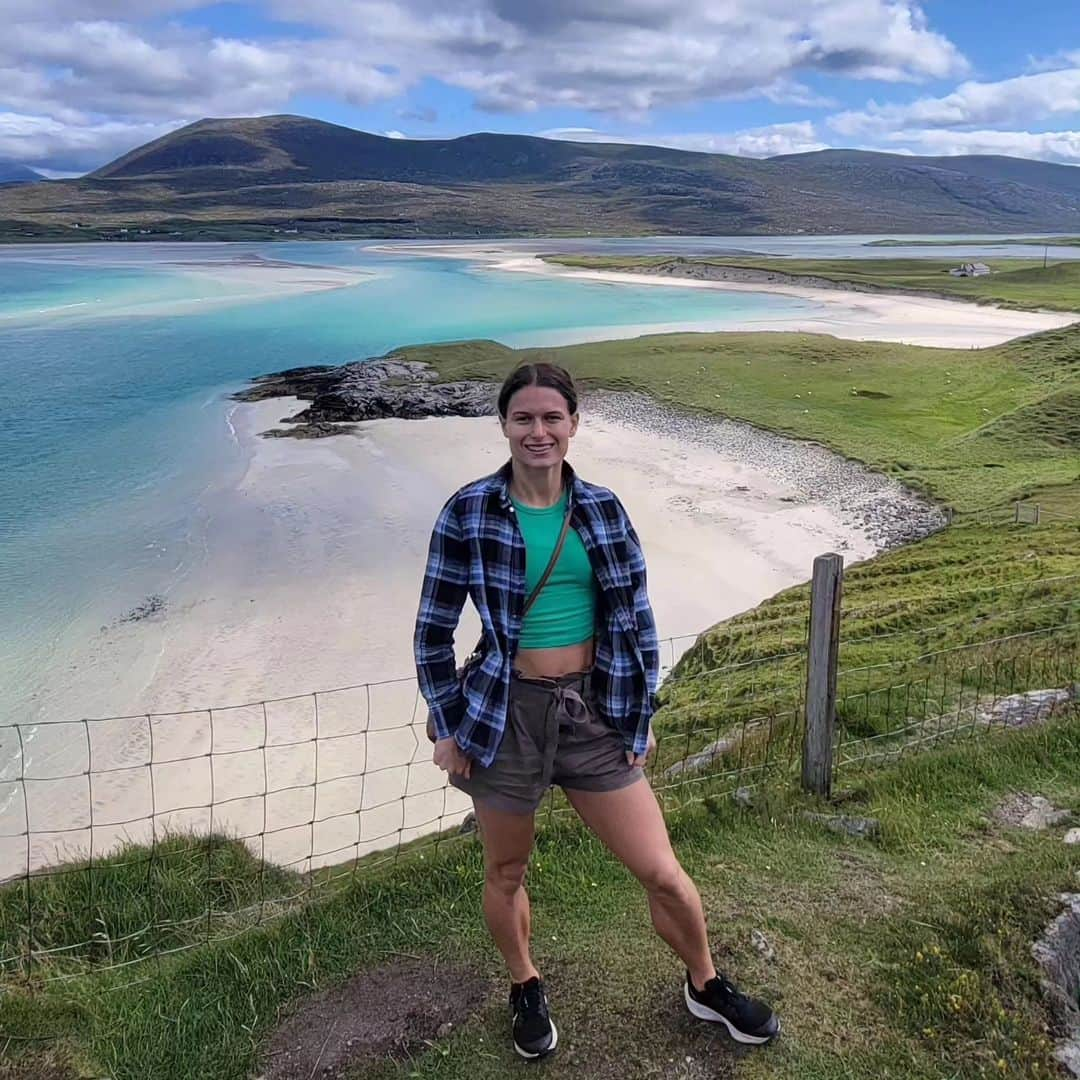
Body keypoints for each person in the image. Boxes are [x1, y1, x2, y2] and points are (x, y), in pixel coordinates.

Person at [414, 361, 779, 1060]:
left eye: (553, 418)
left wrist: (637, 720)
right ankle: (525, 984)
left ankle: (705, 983)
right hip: (502, 714)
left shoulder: (604, 509)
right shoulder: (467, 510)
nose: (539, 431)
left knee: (661, 870)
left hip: (591, 711)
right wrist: (449, 725)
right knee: (506, 871)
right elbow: (433, 629)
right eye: (524, 418)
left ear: (574, 425)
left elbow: (636, 623)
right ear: (505, 426)